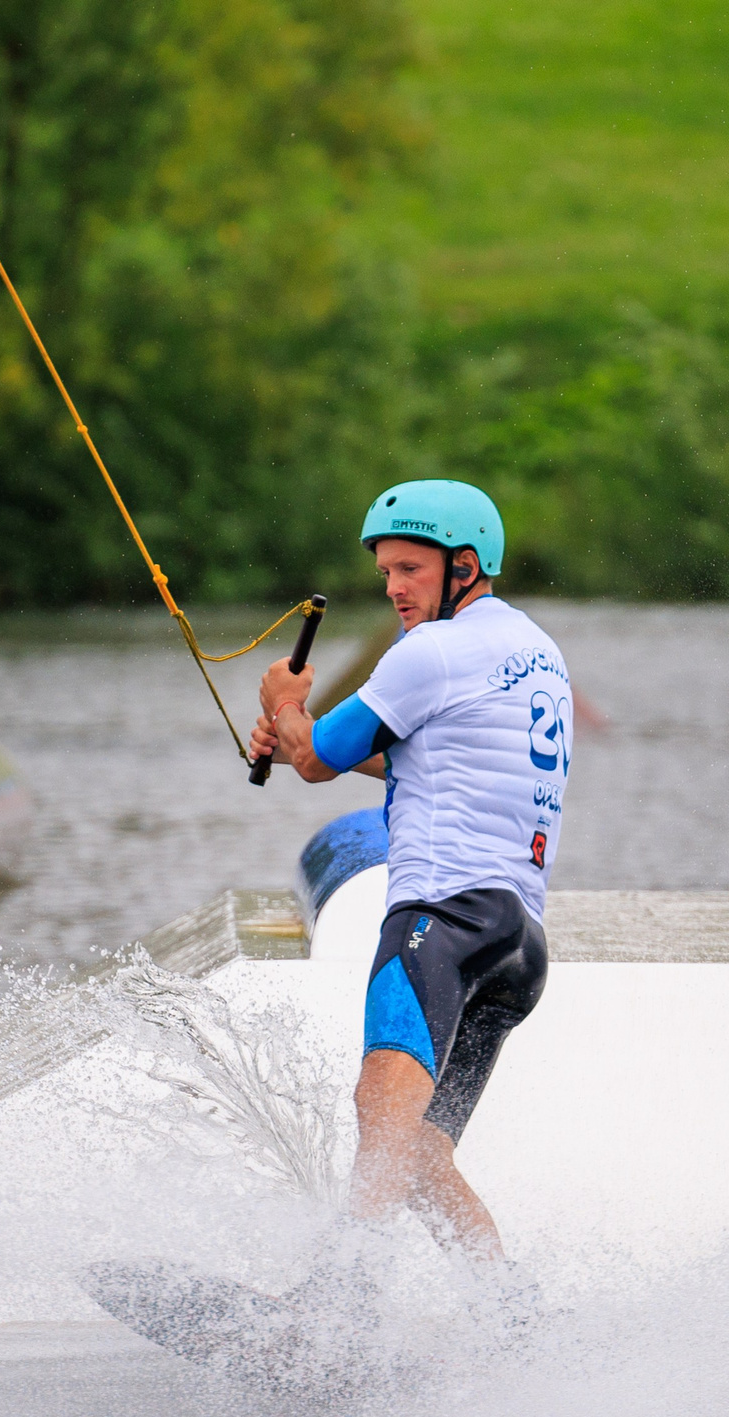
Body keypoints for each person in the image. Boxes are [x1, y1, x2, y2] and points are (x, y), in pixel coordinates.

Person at [248, 479, 571, 1271]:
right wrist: (302, 741)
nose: (393, 589)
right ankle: (512, 1319)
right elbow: (418, 756)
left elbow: (322, 757)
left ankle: (335, 1312)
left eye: (410, 570)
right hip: (516, 947)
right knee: (422, 1158)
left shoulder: (431, 651)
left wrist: (286, 707)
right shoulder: (531, 649)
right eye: (386, 572)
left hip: (442, 923)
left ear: (464, 565)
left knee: (381, 1121)